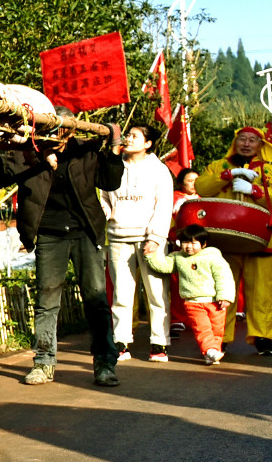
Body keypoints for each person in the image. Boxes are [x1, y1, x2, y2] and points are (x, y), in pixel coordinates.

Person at [0, 114, 125, 386]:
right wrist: (0, 146)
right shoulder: (27, 153)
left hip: (86, 231)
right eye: (48, 131)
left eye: (60, 132)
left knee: (96, 298)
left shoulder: (84, 150)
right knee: (47, 301)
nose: (55, 137)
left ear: (69, 133)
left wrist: (114, 146)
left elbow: (111, 181)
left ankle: (105, 363)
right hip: (49, 234)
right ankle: (44, 362)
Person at [194, 126, 272, 356]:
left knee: (263, 293)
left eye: (252, 140)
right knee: (223, 292)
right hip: (225, 238)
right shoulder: (218, 166)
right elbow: (202, 188)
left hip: (262, 240)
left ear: (261, 146)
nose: (246, 144)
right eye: (242, 139)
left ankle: (263, 338)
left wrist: (256, 190)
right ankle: (220, 337)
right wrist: (226, 177)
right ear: (235, 142)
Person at [98, 126, 174, 361]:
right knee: (121, 294)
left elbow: (164, 205)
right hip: (119, 237)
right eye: (127, 135)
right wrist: (106, 210)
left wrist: (155, 238)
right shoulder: (113, 164)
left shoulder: (159, 170)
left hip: (149, 239)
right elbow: (102, 194)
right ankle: (121, 342)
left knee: (157, 295)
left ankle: (159, 343)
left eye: (134, 136)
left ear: (148, 143)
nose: (128, 139)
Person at [146, 227, 236, 364]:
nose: (189, 247)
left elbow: (224, 277)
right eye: (185, 242)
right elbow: (164, 266)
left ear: (204, 244)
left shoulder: (213, 257)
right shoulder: (178, 257)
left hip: (215, 302)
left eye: (194, 243)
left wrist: (225, 297)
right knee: (203, 329)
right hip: (193, 302)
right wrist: (150, 256)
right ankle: (210, 350)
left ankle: (211, 353)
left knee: (217, 330)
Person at [168, 169, 200, 336]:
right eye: (190, 180)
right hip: (179, 246)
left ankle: (196, 317)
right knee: (177, 284)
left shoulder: (204, 198)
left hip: (200, 249)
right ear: (181, 183)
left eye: (197, 180)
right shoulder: (174, 198)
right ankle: (177, 318)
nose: (194, 184)